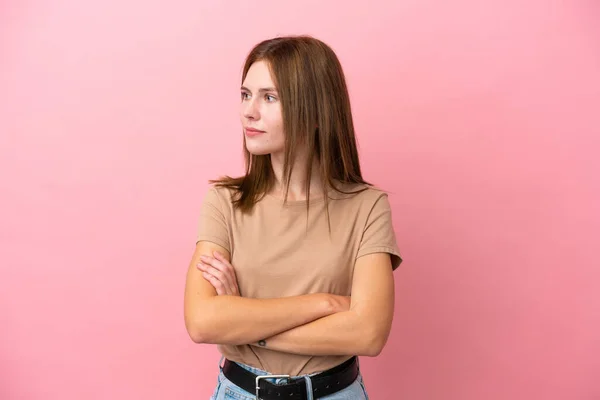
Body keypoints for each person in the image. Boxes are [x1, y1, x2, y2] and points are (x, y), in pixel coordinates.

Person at [184, 35, 402, 400]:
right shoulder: (224, 202)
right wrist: (325, 304)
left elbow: (368, 333)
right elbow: (202, 321)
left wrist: (242, 320)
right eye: (245, 94)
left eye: (269, 97)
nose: (249, 111)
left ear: (316, 111)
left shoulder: (367, 207)